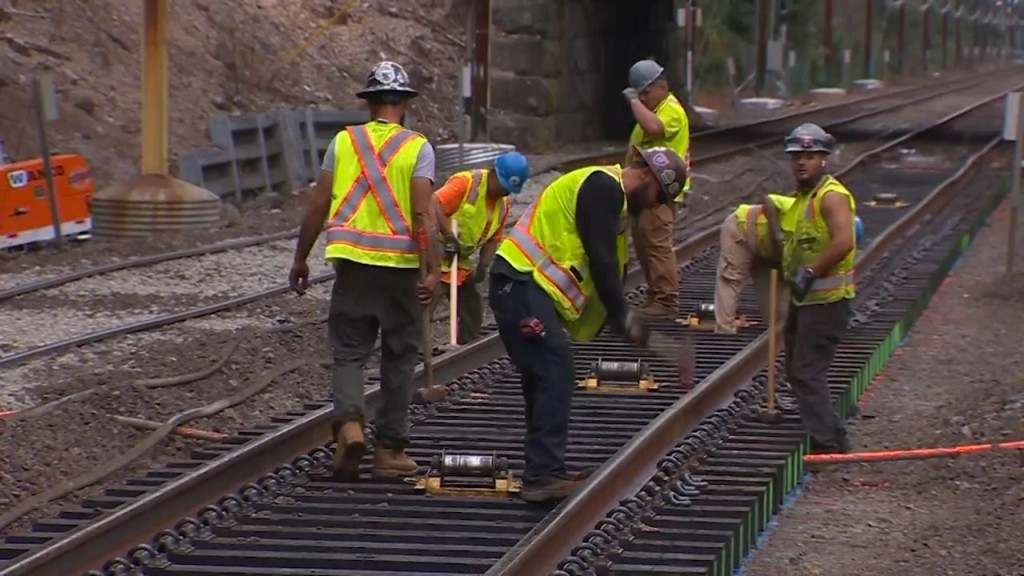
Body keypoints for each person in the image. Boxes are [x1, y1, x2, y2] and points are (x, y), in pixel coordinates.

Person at [488, 145, 689, 503]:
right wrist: (624, 315)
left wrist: (620, 319)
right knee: (555, 367)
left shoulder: (612, 203)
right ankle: (543, 475)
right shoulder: (602, 187)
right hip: (518, 283)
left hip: (524, 288)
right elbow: (601, 261)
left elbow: (605, 276)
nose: (655, 207)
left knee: (545, 374)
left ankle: (544, 470)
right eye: (660, 197)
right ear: (648, 176)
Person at [288, 61, 441, 481]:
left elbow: (318, 204)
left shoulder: (344, 142)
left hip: (352, 264)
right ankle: (389, 448)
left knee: (350, 353)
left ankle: (351, 425)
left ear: (370, 102)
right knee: (398, 357)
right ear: (405, 104)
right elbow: (424, 214)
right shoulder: (418, 147)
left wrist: (301, 257)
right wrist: (432, 270)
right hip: (399, 270)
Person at [779, 123, 857, 454]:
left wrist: (811, 271)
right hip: (805, 299)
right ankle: (831, 433)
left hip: (827, 301)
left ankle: (828, 445)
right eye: (797, 156)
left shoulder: (831, 196)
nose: (801, 162)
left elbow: (844, 241)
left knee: (806, 371)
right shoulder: (803, 198)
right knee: (798, 371)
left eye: (809, 156)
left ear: (824, 159)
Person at [430, 152, 529, 344]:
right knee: (426, 308)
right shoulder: (467, 183)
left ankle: (462, 349)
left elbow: (493, 238)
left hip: (459, 263)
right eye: (503, 186)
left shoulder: (503, 204)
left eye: (509, 189)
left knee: (472, 310)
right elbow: (432, 204)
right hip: (435, 257)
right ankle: (417, 356)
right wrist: (449, 236)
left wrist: (483, 266)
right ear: (493, 173)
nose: (505, 192)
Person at [622, 59, 692, 320]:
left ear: (660, 87)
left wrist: (633, 102)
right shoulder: (654, 110)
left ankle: (666, 300)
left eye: (644, 94)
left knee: (657, 245)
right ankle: (655, 295)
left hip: (661, 192)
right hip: (643, 193)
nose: (641, 99)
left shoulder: (671, 109)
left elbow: (654, 128)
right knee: (644, 245)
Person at [714, 193, 795, 334]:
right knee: (732, 279)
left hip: (765, 249)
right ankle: (725, 330)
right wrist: (776, 235)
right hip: (740, 230)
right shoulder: (798, 208)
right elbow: (768, 200)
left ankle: (778, 331)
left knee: (772, 287)